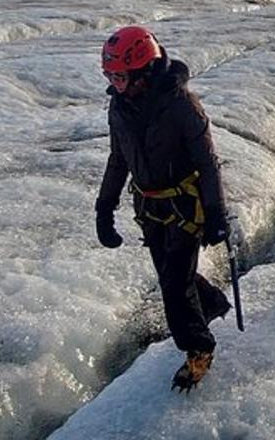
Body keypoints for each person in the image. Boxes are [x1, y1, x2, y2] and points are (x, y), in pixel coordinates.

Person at [94, 25, 231, 392]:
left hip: (187, 207)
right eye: (110, 76)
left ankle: (199, 348)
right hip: (151, 208)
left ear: (144, 71)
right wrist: (104, 209)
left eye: (120, 75)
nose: (114, 83)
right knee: (173, 277)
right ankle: (214, 302)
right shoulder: (119, 107)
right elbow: (118, 159)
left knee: (173, 284)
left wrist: (216, 213)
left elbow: (208, 160)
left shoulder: (181, 104)